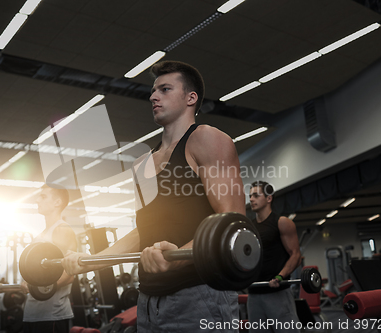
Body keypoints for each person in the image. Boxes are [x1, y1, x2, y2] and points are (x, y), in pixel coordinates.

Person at [62, 61, 246, 332]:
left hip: (198, 293)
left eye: (165, 89)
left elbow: (232, 223)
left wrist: (180, 255)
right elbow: (142, 231)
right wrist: (90, 261)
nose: (153, 96)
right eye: (153, 90)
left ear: (190, 98)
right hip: (147, 300)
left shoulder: (207, 140)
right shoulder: (142, 164)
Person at [0, 184, 77, 333]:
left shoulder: (62, 229)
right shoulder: (41, 235)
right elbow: (35, 279)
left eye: (43, 196)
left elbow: (69, 274)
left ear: (57, 202)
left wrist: (38, 288)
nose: (37, 199)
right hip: (33, 314)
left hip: (52, 315)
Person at [247, 181, 302, 333]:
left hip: (277, 293)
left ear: (269, 198)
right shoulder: (248, 227)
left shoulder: (282, 222)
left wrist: (280, 276)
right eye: (250, 196)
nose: (251, 199)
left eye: (256, 195)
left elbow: (295, 255)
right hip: (254, 294)